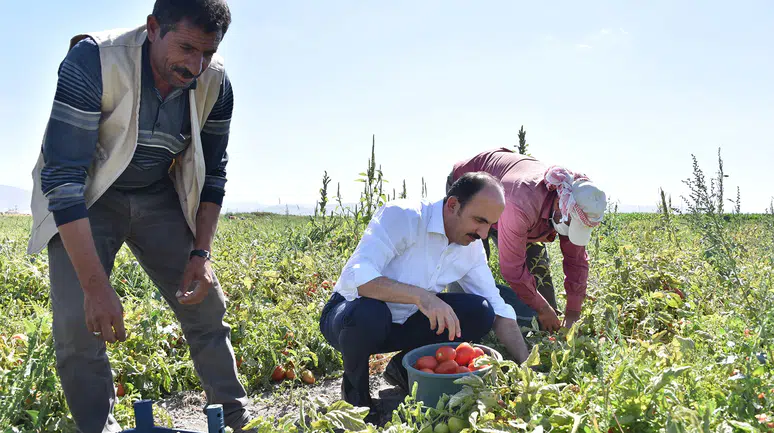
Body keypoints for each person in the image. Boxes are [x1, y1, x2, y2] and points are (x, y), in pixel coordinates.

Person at [26, 1, 255, 431]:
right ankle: (98, 426)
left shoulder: (215, 83)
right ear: (153, 28)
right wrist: (96, 287)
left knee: (206, 304)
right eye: (185, 47)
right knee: (79, 326)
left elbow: (214, 174)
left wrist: (200, 255)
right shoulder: (95, 59)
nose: (195, 65)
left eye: (206, 52)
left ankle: (234, 419)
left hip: (156, 195)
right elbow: (63, 179)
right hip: (88, 197)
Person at [319, 172, 531, 421]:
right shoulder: (404, 216)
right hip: (349, 318)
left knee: (481, 311)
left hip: (404, 321)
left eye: (490, 226)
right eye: (478, 221)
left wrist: (527, 365)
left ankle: (403, 369)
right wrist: (423, 297)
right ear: (453, 205)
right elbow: (359, 278)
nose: (483, 235)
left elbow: (497, 306)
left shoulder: (471, 248)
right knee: (369, 313)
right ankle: (357, 399)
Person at [446, 148, 607, 333]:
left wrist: (572, 313)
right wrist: (542, 308)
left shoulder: (572, 207)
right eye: (572, 224)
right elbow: (512, 269)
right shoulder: (522, 202)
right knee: (467, 260)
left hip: (517, 203)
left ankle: (546, 324)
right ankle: (462, 323)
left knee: (538, 265)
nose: (572, 230)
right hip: (472, 187)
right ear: (559, 205)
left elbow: (576, 262)